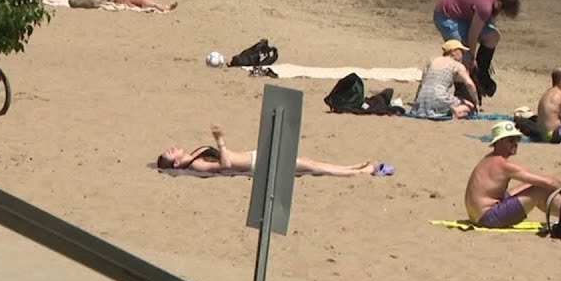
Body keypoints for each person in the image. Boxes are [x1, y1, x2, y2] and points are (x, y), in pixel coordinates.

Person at [158, 124, 392, 177]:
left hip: (255, 157)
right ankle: (363, 172)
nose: (171, 149)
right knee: (310, 166)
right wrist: (220, 141)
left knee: (308, 161)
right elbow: (225, 165)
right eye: (170, 154)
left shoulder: (196, 151)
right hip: (256, 165)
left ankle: (353, 167)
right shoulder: (197, 163)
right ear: (177, 164)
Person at [464, 121, 561, 228]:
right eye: (511, 140)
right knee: (540, 190)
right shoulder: (502, 164)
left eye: (517, 139)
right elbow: (550, 181)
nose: (515, 144)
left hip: (477, 215)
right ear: (499, 142)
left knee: (529, 186)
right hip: (487, 217)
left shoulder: (489, 158)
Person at [433, 0, 521, 96]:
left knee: (493, 36)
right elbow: (473, 34)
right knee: (462, 54)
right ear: (499, 4)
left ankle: (481, 74)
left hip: (465, 17)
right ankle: (462, 92)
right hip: (447, 16)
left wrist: (485, 60)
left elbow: (488, 25)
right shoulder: (485, 6)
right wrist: (471, 56)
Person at [411, 40, 479, 119]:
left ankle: (449, 109)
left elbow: (422, 84)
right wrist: (476, 102)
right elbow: (470, 84)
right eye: (461, 52)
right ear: (453, 51)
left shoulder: (431, 61)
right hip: (439, 96)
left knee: (458, 99)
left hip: (422, 98)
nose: (462, 55)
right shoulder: (457, 65)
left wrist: (417, 101)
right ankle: (456, 110)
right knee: (469, 105)